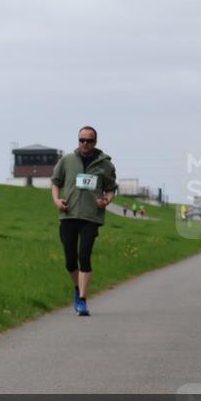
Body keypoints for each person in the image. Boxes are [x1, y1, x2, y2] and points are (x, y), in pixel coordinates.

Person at [50, 126, 117, 317]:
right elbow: (55, 182)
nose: (85, 144)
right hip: (68, 214)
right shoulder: (67, 160)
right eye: (82, 140)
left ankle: (82, 300)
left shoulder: (105, 165)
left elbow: (111, 188)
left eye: (89, 140)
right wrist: (56, 201)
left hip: (91, 217)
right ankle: (77, 288)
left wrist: (106, 200)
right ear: (78, 140)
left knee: (84, 255)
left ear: (95, 142)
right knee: (70, 261)